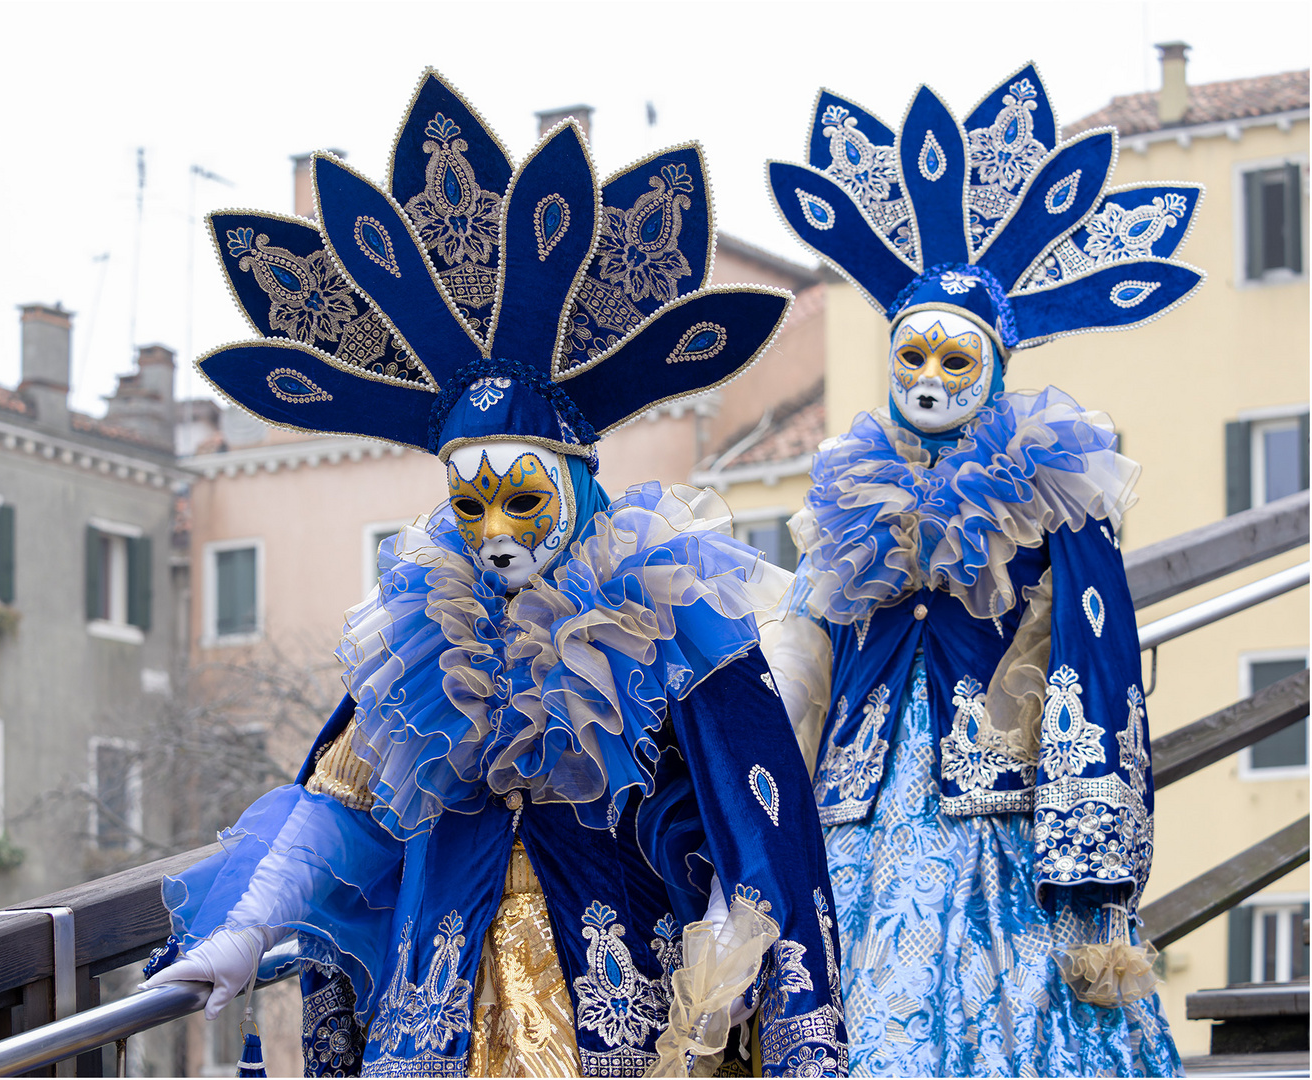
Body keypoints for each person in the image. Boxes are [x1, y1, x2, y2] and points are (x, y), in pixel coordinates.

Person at [145, 70, 848, 1078]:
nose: (493, 532)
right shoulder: (423, 636)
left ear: (576, 488)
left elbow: (758, 807)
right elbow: (341, 803)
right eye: (469, 506)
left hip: (621, 1005)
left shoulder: (666, 613)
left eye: (522, 500)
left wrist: (744, 964)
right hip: (444, 1001)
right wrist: (244, 929)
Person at [764, 64, 1205, 1076]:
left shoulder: (1054, 492)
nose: (924, 378)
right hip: (855, 821)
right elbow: (803, 664)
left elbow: (1095, 667)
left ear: (995, 366)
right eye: (907, 357)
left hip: (1002, 820)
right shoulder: (846, 499)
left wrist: (1091, 883)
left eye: (950, 360)